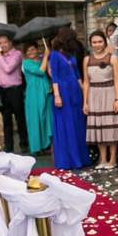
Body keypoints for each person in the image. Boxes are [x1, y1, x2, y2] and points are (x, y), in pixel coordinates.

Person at [48, 29, 90, 169]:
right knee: (66, 126)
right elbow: (55, 76)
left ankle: (80, 158)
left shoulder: (70, 55)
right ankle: (68, 160)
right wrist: (57, 95)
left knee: (77, 124)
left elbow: (77, 75)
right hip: (63, 92)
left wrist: (84, 91)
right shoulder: (54, 55)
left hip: (75, 92)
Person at [82, 30, 118, 170]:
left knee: (110, 126)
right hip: (94, 95)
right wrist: (85, 102)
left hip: (109, 93)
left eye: (100, 41)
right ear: (90, 44)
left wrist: (117, 99)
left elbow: (117, 80)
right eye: (94, 42)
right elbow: (86, 82)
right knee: (99, 126)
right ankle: (103, 159)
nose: (97, 45)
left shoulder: (112, 58)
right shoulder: (87, 60)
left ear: (105, 42)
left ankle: (112, 159)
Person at [0, 34, 27, 153]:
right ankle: (8, 146)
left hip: (15, 90)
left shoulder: (17, 54)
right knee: (6, 120)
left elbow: (8, 69)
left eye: (5, 42)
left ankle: (24, 144)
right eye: (0, 43)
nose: (2, 45)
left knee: (20, 118)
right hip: (2, 90)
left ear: (10, 42)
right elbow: (0, 72)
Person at [22, 40, 55, 154]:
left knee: (46, 118)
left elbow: (48, 73)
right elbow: (40, 71)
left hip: (45, 92)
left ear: (37, 49)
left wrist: (47, 58)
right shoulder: (26, 63)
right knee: (35, 120)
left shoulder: (42, 61)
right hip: (33, 94)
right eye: (28, 50)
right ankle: (36, 148)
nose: (30, 52)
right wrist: (45, 56)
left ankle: (46, 145)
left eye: (32, 49)